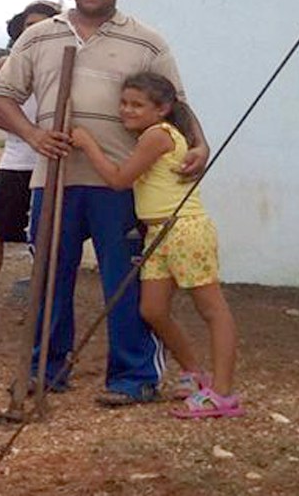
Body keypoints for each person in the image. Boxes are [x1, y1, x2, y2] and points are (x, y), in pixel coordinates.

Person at [0, 0, 209, 407]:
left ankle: (133, 376)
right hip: (54, 179)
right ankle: (45, 370)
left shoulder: (146, 41)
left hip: (122, 182)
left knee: (125, 283)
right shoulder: (38, 36)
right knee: (50, 277)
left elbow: (178, 104)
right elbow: (2, 97)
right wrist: (33, 134)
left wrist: (200, 145)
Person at [71, 72, 243, 418]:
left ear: (162, 109)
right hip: (158, 234)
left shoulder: (158, 135)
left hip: (184, 230)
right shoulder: (154, 135)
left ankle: (223, 393)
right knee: (152, 310)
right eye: (123, 103)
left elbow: (119, 180)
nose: (127, 110)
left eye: (137, 105)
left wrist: (88, 144)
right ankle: (194, 371)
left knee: (212, 309)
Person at [0, 0, 60, 322]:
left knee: (46, 240)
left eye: (44, 25)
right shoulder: (6, 66)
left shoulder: (64, 66)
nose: (36, 31)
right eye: (30, 26)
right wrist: (29, 133)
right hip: (16, 162)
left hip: (53, 164)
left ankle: (41, 308)